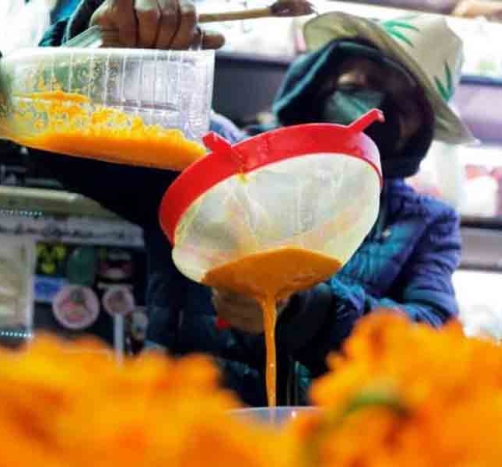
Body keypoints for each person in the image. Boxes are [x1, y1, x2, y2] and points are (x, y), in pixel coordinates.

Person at [37, 1, 472, 406]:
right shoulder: (219, 159)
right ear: (322, 77)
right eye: (365, 81)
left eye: (405, 102)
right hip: (189, 434)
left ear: (421, 131)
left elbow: (432, 340)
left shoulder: (426, 222)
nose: (379, 106)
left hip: (331, 445)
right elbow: (62, 141)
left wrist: (309, 309)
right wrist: (97, 48)